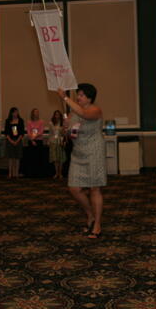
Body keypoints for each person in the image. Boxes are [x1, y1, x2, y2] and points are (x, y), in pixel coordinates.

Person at [58, 83, 106, 239]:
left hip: (94, 152)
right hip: (78, 153)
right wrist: (65, 128)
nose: (78, 97)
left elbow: (85, 114)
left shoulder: (95, 110)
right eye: (77, 95)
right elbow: (70, 135)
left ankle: (97, 224)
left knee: (94, 188)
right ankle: (90, 215)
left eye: (81, 95)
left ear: (90, 98)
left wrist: (65, 96)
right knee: (74, 188)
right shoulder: (73, 113)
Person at [4, 107, 25, 179]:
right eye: (14, 112)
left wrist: (17, 141)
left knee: (17, 157)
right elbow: (6, 133)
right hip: (10, 141)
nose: (16, 114)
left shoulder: (21, 121)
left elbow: (22, 133)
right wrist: (11, 141)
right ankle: (10, 173)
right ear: (11, 113)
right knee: (10, 157)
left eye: (17, 112)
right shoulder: (7, 121)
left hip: (18, 140)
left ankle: (16, 173)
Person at [25, 108, 45, 177]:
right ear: (32, 113)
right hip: (31, 141)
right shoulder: (29, 122)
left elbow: (41, 132)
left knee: (39, 157)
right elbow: (28, 132)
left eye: (37, 112)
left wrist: (34, 137)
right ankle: (32, 173)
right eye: (35, 112)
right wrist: (32, 140)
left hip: (39, 141)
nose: (37, 113)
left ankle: (39, 173)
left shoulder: (41, 122)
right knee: (32, 158)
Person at [49, 110, 66, 179]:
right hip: (53, 141)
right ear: (54, 115)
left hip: (60, 141)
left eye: (58, 114)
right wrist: (49, 141)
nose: (57, 116)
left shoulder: (62, 123)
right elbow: (50, 133)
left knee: (60, 158)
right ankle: (56, 173)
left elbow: (64, 134)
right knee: (55, 158)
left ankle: (60, 173)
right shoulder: (51, 123)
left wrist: (64, 140)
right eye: (56, 114)